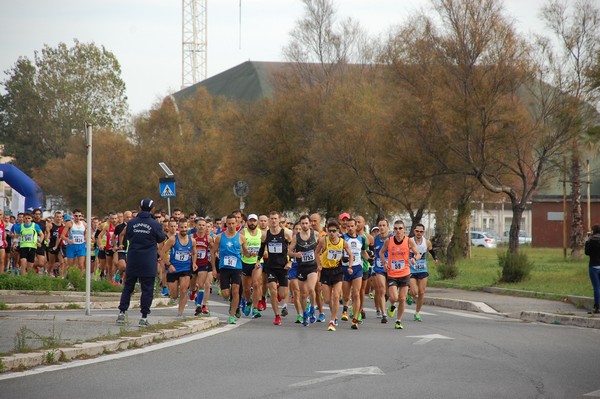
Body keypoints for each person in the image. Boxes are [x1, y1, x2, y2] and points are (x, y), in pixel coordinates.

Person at [117, 199, 167, 327]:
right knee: (147, 289)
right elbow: (161, 238)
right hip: (148, 260)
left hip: (133, 258)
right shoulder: (155, 224)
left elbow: (127, 235)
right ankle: (143, 317)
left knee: (128, 286)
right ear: (152, 209)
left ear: (140, 207)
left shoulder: (132, 223)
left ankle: (122, 312)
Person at [212, 214, 254, 324]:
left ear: (237, 223)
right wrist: (214, 268)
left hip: (237, 267)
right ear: (226, 224)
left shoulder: (241, 237)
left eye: (233, 223)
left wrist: (251, 254)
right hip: (224, 267)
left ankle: (232, 315)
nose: (231, 226)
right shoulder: (220, 237)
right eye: (229, 223)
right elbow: (213, 251)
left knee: (235, 289)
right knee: (226, 294)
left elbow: (246, 253)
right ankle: (233, 302)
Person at [379, 220, 421, 330]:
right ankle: (392, 305)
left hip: (405, 273)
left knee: (402, 298)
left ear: (404, 230)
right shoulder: (389, 241)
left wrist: (414, 259)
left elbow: (418, 254)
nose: (398, 231)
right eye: (396, 228)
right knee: (394, 297)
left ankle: (398, 320)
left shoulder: (408, 241)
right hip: (392, 273)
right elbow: (381, 252)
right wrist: (385, 262)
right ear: (393, 230)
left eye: (400, 228)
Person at [315, 219, 353, 331]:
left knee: (336, 296)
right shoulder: (323, 241)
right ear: (327, 231)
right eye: (329, 231)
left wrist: (350, 266)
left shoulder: (342, 242)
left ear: (337, 231)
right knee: (327, 300)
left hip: (337, 270)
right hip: (326, 271)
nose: (331, 233)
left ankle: (332, 320)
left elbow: (350, 255)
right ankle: (334, 314)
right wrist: (319, 264)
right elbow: (316, 253)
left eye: (334, 231)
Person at [256, 211, 293, 326]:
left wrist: (290, 262)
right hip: (270, 266)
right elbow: (261, 249)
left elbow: (292, 250)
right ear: (269, 221)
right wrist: (258, 260)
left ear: (279, 220)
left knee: (282, 294)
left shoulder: (286, 234)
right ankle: (277, 316)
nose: (273, 221)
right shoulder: (265, 235)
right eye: (271, 219)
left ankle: (278, 296)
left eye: (275, 219)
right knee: (272, 290)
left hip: (283, 267)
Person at [289, 215, 320, 326]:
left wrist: (319, 257)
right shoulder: (296, 237)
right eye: (303, 223)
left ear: (310, 224)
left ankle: (312, 309)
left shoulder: (315, 234)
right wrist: (295, 254)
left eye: (306, 223)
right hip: (302, 267)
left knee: (311, 289)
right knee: (303, 294)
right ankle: (304, 313)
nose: (305, 225)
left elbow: (322, 247)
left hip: (312, 266)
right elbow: (289, 251)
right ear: (300, 224)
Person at [162, 219, 197, 316]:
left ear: (188, 227)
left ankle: (180, 312)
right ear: (179, 228)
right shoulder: (173, 239)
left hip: (185, 269)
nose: (184, 229)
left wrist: (194, 263)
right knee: (174, 295)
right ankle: (174, 297)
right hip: (173, 269)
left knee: (184, 290)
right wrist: (169, 265)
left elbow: (194, 253)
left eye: (185, 227)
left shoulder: (192, 240)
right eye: (182, 227)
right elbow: (161, 252)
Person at [408, 223, 438, 321]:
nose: (419, 233)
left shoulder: (427, 242)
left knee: (421, 292)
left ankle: (417, 313)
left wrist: (435, 258)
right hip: (411, 269)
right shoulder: (409, 241)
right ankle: (410, 294)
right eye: (417, 231)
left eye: (421, 231)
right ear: (414, 231)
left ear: (423, 232)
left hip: (422, 269)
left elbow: (431, 250)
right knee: (414, 291)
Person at [240, 214, 263, 318]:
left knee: (256, 283)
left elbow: (264, 248)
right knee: (246, 288)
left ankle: (255, 308)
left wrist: (264, 253)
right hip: (245, 262)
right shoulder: (242, 233)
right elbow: (238, 249)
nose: (252, 223)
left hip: (257, 262)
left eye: (254, 221)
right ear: (247, 222)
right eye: (250, 221)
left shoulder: (261, 233)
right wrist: (247, 252)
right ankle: (248, 302)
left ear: (257, 222)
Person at [585, 224, 600, 314]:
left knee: (596, 287)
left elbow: (587, 252)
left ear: (593, 231)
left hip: (594, 266)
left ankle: (597, 306)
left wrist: (587, 241)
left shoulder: (592, 240)